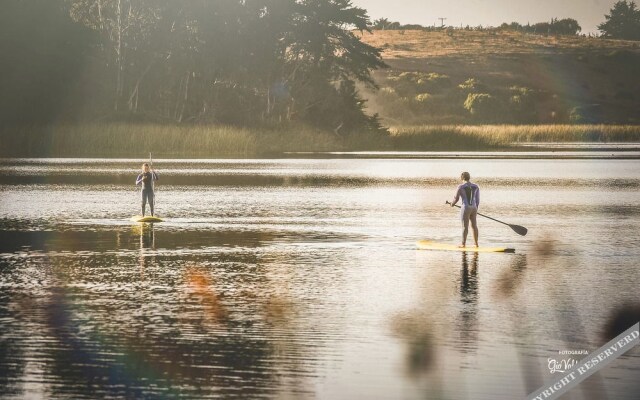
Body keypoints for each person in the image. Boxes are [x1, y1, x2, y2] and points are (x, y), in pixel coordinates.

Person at [450, 171, 479, 247]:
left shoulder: (460, 187)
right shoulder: (476, 186)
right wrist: (475, 209)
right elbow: (477, 200)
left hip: (466, 208)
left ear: (462, 178)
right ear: (469, 177)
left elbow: (456, 199)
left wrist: (452, 204)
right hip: (474, 207)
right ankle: (476, 244)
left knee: (465, 226)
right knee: (474, 226)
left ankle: (463, 244)